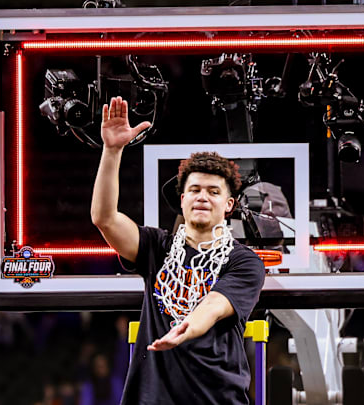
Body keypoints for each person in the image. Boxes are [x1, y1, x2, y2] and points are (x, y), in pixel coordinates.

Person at [91, 96, 265, 404]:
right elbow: (104, 218)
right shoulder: (156, 247)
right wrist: (112, 150)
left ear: (229, 206)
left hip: (216, 398)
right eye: (195, 190)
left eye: (213, 192)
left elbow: (213, 305)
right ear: (182, 199)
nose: (202, 197)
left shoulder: (244, 261)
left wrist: (188, 326)